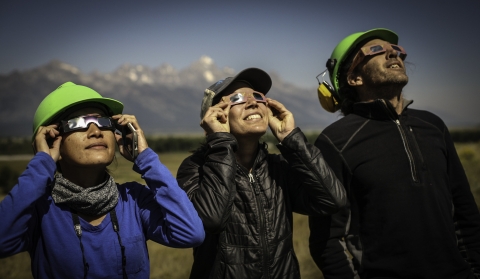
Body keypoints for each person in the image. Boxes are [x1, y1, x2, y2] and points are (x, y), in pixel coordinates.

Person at [309, 28, 480, 278]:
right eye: (376, 50)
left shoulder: (433, 126)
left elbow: (465, 212)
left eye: (397, 50)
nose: (393, 53)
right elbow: (328, 241)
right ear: (354, 77)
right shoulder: (335, 141)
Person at [0, 82, 205, 279]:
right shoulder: (39, 210)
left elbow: (190, 233)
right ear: (52, 140)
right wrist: (42, 164)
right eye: (78, 123)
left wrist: (145, 158)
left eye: (102, 121)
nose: (96, 131)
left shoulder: (133, 200)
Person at [176, 67, 346, 279]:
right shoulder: (195, 168)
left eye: (258, 96)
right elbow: (212, 220)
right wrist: (219, 143)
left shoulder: (279, 167)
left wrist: (291, 139)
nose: (253, 102)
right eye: (237, 98)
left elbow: (332, 201)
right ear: (214, 117)